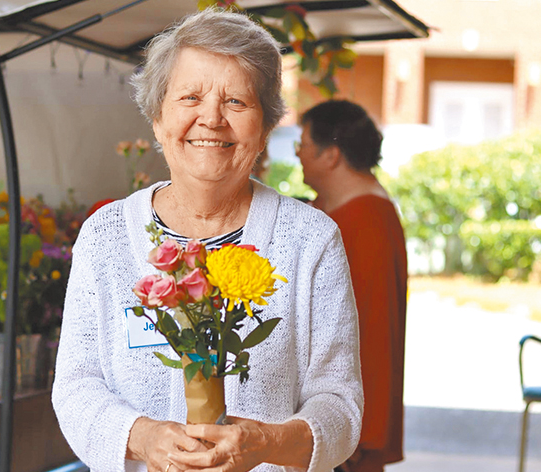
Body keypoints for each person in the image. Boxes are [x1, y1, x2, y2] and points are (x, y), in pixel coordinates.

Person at [52, 9, 362, 472]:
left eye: (236, 102)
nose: (211, 119)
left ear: (265, 128)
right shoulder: (106, 235)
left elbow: (339, 404)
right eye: (190, 97)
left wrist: (267, 443)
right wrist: (143, 436)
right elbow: (76, 387)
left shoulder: (311, 239)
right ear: (157, 119)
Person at [296, 100, 407, 472]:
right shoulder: (343, 208)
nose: (297, 153)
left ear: (332, 155)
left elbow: (369, 334)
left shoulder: (365, 220)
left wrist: (354, 429)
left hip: (348, 433)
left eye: (304, 144)